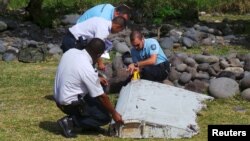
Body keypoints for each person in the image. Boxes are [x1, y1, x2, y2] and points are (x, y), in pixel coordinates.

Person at [54, 38, 123, 138]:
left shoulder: (71, 52)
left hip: (59, 98)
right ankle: (70, 122)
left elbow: (76, 73)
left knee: (101, 87)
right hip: (69, 104)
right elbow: (102, 97)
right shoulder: (86, 67)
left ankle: (89, 125)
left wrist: (97, 78)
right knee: (104, 117)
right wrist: (114, 113)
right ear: (99, 55)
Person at [60, 16, 126, 70]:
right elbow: (96, 48)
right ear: (117, 26)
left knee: (74, 65)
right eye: (119, 30)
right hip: (73, 41)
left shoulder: (102, 21)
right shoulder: (103, 29)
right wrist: (100, 64)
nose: (118, 32)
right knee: (74, 67)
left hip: (72, 37)